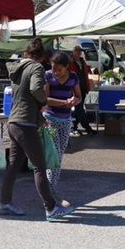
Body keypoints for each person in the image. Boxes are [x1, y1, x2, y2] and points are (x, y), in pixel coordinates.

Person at [0, 37, 74, 221]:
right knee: (40, 167)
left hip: (13, 122)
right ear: (40, 57)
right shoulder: (36, 68)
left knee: (14, 165)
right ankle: (51, 207)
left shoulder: (17, 68)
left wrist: (39, 116)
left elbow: (24, 94)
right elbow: (35, 90)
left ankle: (4, 203)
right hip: (25, 124)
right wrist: (42, 103)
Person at [43, 51, 81, 204]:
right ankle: (50, 192)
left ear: (66, 67)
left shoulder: (73, 77)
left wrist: (75, 100)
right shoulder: (47, 76)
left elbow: (79, 96)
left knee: (60, 155)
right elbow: (45, 100)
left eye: (59, 69)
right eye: (53, 69)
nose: (56, 72)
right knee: (55, 155)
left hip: (66, 120)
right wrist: (65, 102)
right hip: (50, 118)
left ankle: (51, 189)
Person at [68, 46, 96, 136]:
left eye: (80, 51)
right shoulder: (69, 62)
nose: (79, 53)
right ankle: (87, 128)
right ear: (73, 51)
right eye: (78, 51)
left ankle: (73, 126)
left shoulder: (82, 61)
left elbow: (85, 74)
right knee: (79, 109)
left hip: (83, 88)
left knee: (78, 109)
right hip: (74, 89)